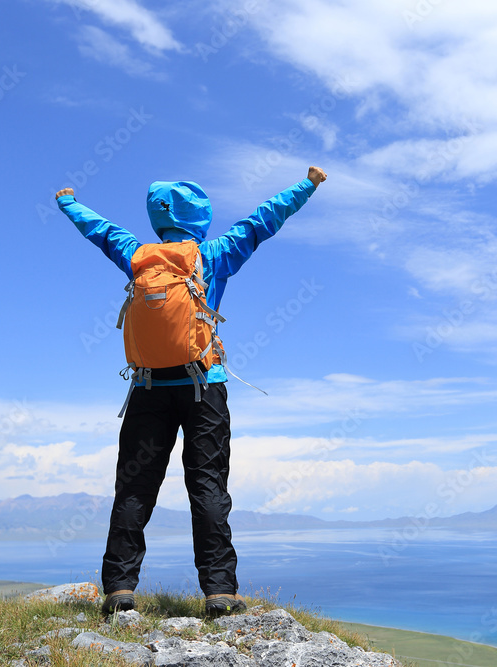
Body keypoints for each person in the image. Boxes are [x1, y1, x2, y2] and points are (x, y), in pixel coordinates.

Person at [55, 166, 328, 617]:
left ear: (158, 218)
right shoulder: (215, 254)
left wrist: (68, 202)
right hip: (204, 388)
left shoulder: (139, 255)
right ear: (199, 215)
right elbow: (265, 219)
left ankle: (120, 591)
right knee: (207, 486)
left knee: (135, 488)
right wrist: (308, 184)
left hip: (147, 388)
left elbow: (98, 230)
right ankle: (219, 593)